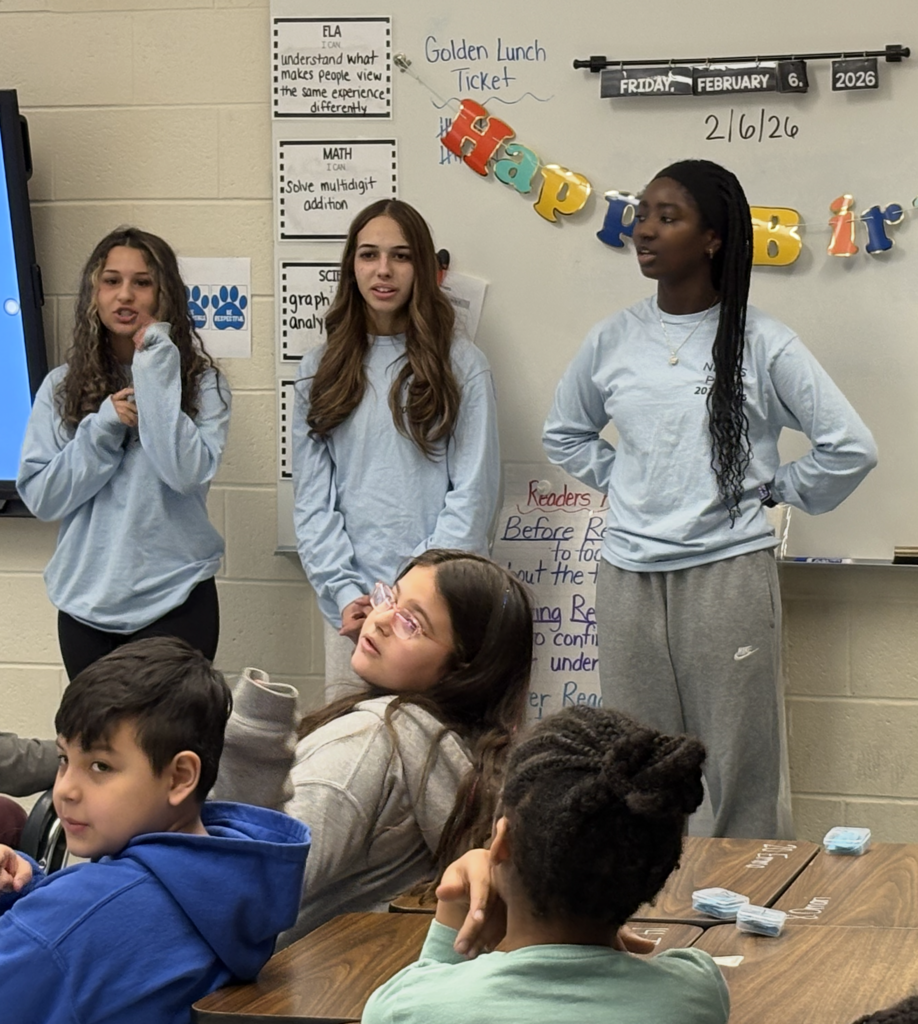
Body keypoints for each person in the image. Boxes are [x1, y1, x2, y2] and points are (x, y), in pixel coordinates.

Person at [543, 159, 877, 839]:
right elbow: (565, 433)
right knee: (633, 763)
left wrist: (779, 489)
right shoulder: (612, 338)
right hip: (629, 577)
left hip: (728, 574)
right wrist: (628, 480)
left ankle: (746, 916)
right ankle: (643, 916)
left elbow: (851, 447)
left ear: (713, 239)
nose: (646, 231)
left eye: (669, 217)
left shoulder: (762, 341)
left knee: (738, 767)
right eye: (643, 215)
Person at [213, 548, 532, 944]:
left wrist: (251, 741)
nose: (379, 620)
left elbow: (244, 888)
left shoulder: (367, 744)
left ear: (463, 669)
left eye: (410, 623)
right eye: (390, 599)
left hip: (274, 994)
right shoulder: (458, 749)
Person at [0, 637, 309, 1024]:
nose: (64, 789)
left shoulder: (81, 915)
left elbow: (70, 931)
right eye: (64, 759)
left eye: (100, 766)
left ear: (180, 777)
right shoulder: (229, 879)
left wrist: (40, 910)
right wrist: (20, 888)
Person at [362, 705, 729, 1024]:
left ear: (501, 842)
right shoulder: (697, 993)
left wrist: (454, 910)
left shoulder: (406, 1010)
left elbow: (422, 996)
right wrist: (601, 906)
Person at [292, 199, 500, 697]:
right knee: (352, 754)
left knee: (431, 756)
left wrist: (409, 601)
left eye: (400, 256)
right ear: (352, 267)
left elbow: (473, 497)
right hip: (353, 612)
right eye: (369, 255)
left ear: (423, 268)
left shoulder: (463, 365)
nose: (383, 270)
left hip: (434, 614)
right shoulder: (319, 369)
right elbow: (312, 504)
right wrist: (346, 594)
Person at [18, 227, 231, 680]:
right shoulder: (59, 387)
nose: (125, 295)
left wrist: (155, 371)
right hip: (86, 606)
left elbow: (185, 474)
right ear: (94, 292)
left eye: (143, 282)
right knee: (98, 747)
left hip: (177, 598)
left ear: (165, 294)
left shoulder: (204, 384)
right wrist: (104, 426)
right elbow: (42, 498)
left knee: (170, 747)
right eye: (111, 281)